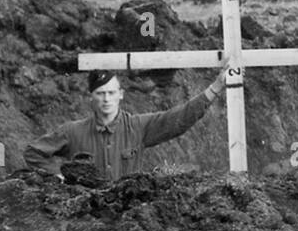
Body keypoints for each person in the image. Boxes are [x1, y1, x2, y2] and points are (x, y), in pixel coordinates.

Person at [24, 54, 236, 182]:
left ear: (120, 95)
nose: (106, 99)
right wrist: (59, 175)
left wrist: (216, 87)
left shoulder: (138, 126)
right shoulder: (72, 131)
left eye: (111, 93)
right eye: (100, 94)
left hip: (128, 213)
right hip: (86, 215)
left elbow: (179, 119)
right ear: (91, 98)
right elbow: (34, 152)